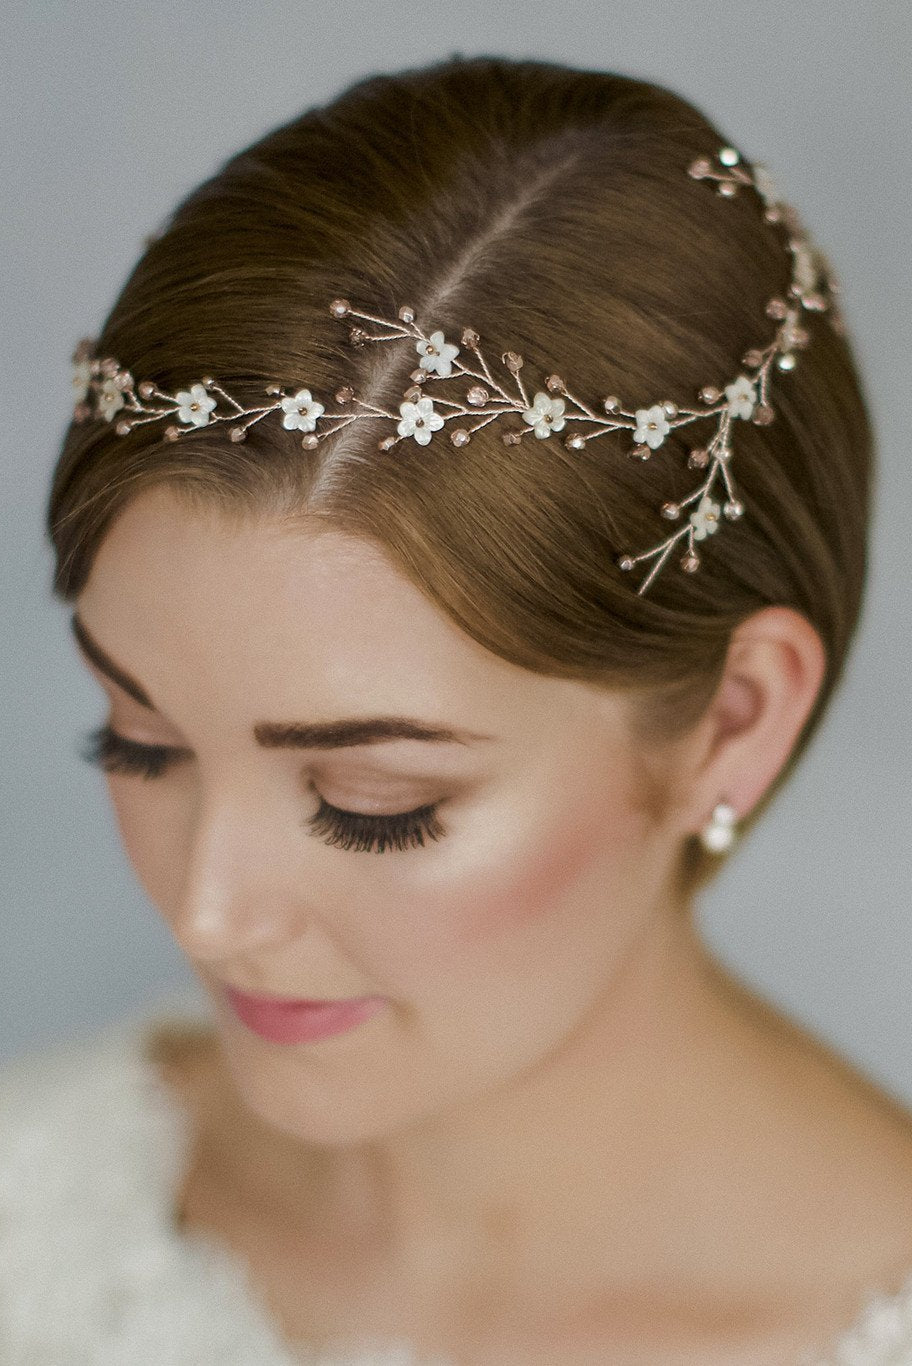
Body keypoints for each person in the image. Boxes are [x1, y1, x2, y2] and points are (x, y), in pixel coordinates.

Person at [4, 53, 912, 1366]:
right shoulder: (30, 1201)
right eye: (136, 737)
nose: (206, 909)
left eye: (376, 802)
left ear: (734, 718)